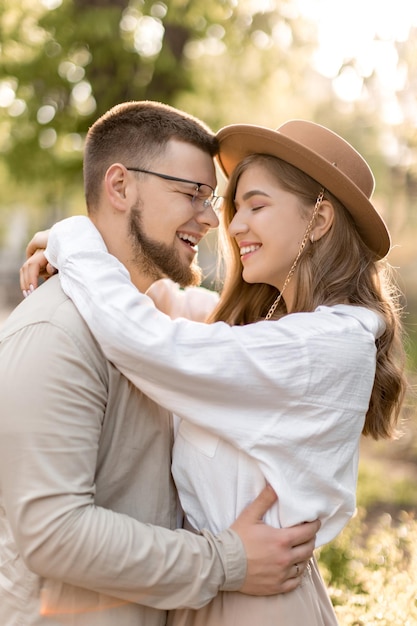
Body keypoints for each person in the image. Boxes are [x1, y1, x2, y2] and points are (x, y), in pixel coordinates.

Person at [28, 118, 407, 626]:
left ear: (317, 222)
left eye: (256, 205)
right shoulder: (281, 325)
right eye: (235, 208)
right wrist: (83, 255)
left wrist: (79, 240)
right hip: (221, 588)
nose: (232, 225)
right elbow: (177, 308)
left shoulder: (324, 347)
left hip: (259, 603)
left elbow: (156, 343)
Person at [0, 102, 320, 626]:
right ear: (121, 187)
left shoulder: (154, 323)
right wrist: (229, 562)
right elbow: (55, 535)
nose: (210, 220)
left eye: (211, 198)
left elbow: (244, 333)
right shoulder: (55, 334)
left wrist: (72, 242)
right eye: (192, 194)